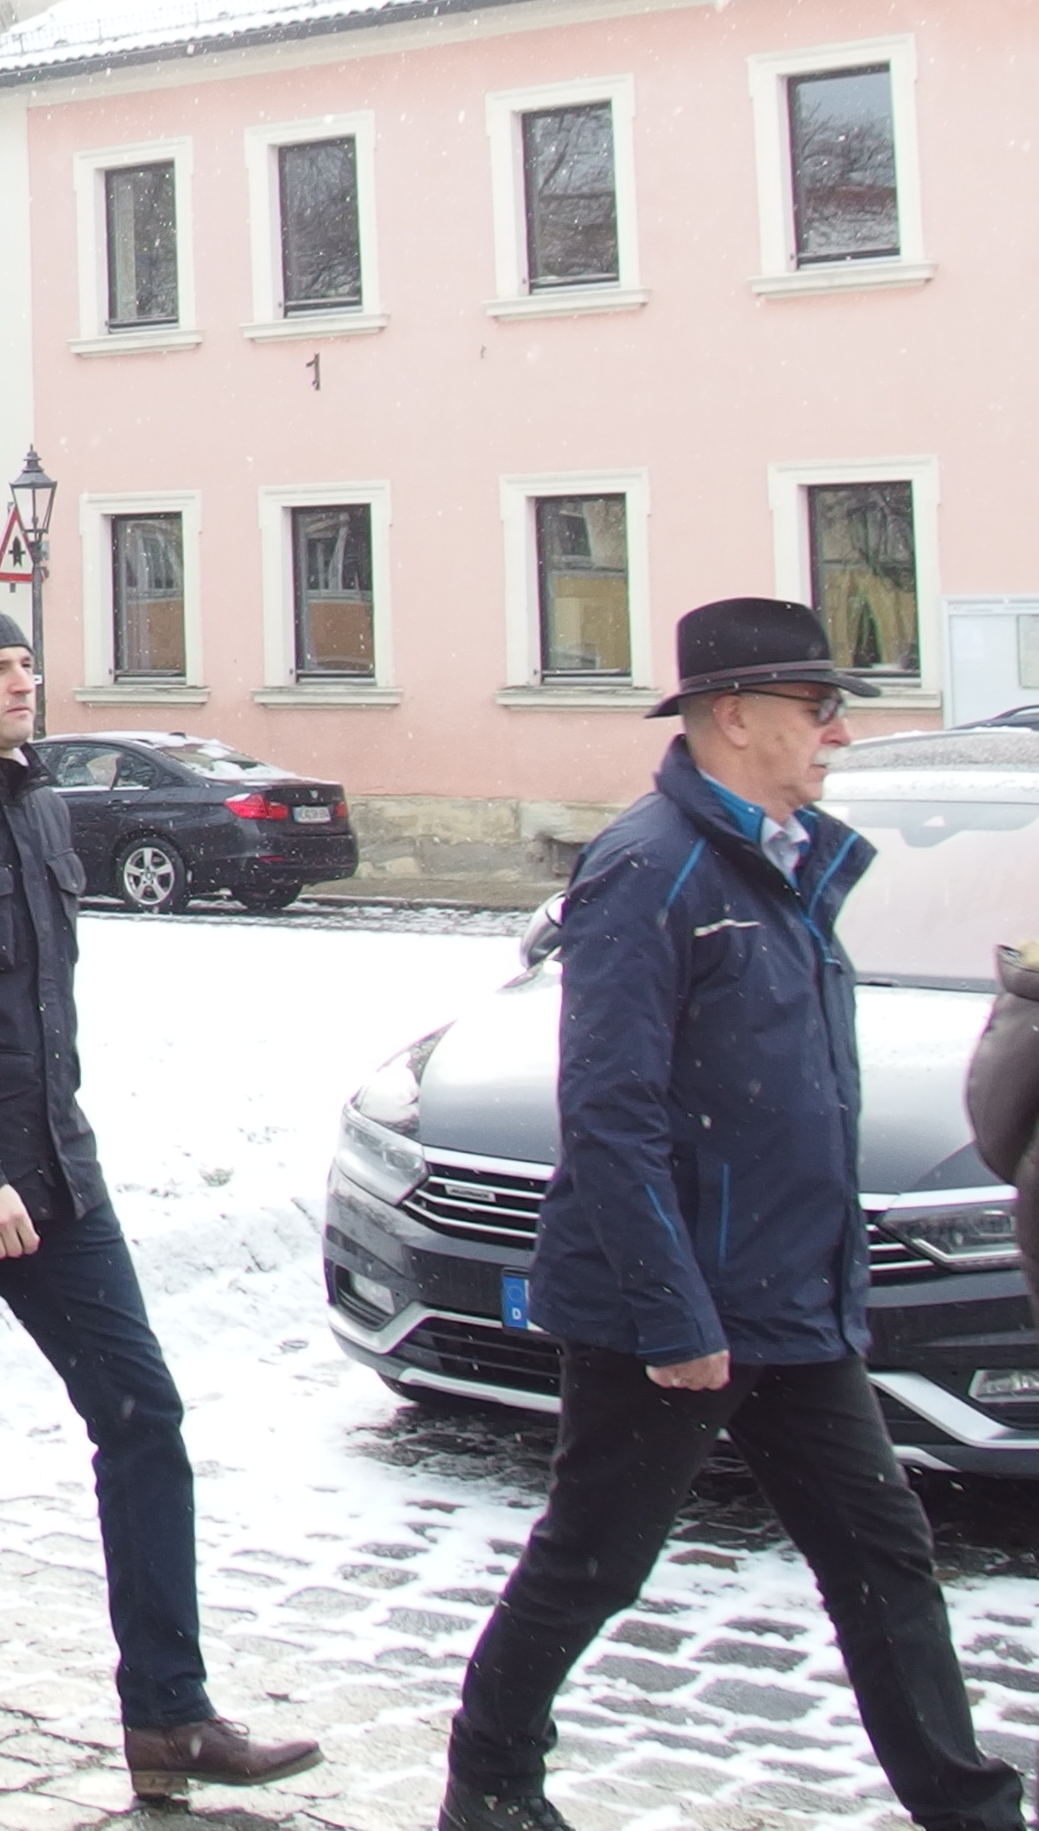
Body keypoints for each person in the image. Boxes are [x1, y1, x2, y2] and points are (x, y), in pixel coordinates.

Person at [440, 600, 1022, 1831]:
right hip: (673, 1309)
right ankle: (488, 1780)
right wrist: (669, 1314)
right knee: (592, 1559)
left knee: (880, 1555)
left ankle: (965, 1809)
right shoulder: (650, 868)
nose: (839, 735)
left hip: (789, 1300)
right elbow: (607, 1111)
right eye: (818, 710)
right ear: (733, 715)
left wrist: (824, 1286)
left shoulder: (786, 854)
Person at [0, 597, 314, 1794]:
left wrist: (43, 1161)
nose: (21, 682)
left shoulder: (36, 806)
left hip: (54, 1176)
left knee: (142, 1419)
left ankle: (168, 1714)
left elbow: (45, 1012)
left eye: (25, 664)